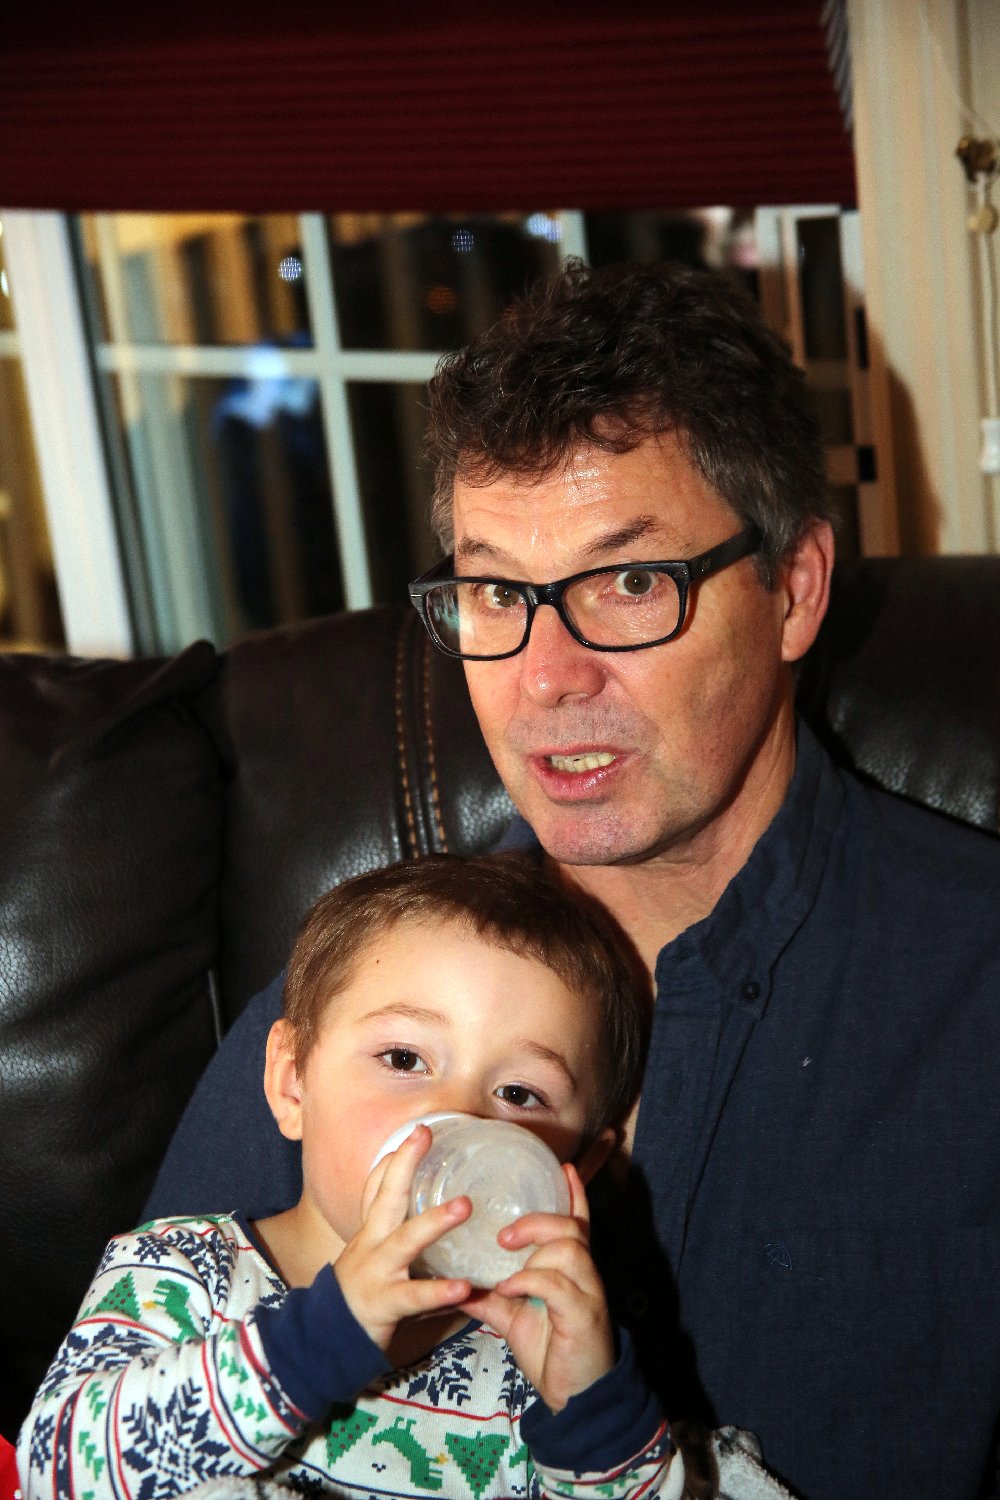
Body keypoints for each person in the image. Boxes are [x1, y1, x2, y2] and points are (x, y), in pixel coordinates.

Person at [144, 261, 1000, 1500]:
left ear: (795, 590)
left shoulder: (975, 991)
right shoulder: (356, 1017)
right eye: (495, 591)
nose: (544, 677)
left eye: (630, 582)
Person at [17, 855, 789, 1500]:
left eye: (519, 1094)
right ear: (293, 1081)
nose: (458, 1120)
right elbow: (54, 1471)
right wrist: (317, 1341)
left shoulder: (536, 1374)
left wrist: (594, 1414)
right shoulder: (177, 1274)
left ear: (575, 1172)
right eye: (404, 1058)